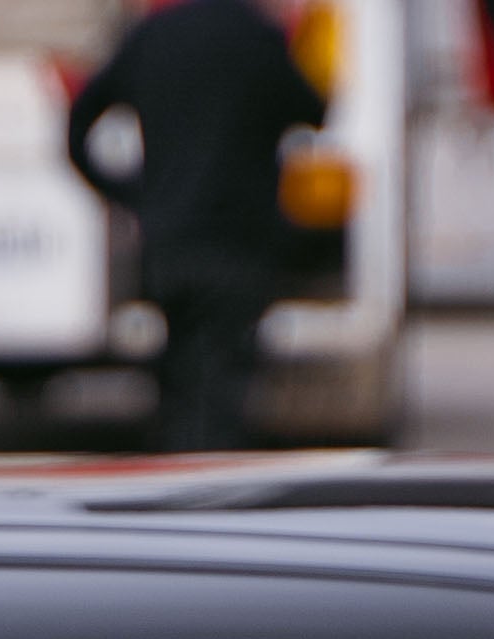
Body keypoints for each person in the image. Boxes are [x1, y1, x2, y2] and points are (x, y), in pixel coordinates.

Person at [68, 0, 327, 453]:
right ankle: (212, 495)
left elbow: (77, 128)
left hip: (168, 246)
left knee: (179, 382)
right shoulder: (256, 36)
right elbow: (314, 111)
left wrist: (132, 194)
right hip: (238, 249)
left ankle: (177, 479)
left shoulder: (151, 36)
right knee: (224, 391)